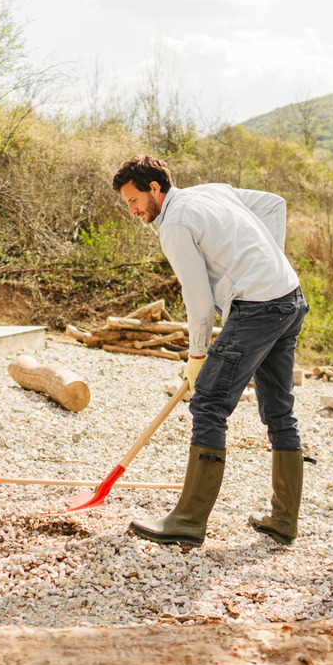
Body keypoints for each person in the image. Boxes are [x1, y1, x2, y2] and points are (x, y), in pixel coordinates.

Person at [110, 154, 310, 548]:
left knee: (208, 406)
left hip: (258, 307)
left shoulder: (175, 224)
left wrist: (197, 357)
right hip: (290, 297)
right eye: (127, 204)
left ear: (155, 188)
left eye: (134, 200)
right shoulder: (213, 192)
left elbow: (198, 299)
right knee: (279, 411)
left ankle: (187, 520)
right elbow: (274, 204)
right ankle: (283, 520)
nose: (132, 210)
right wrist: (270, 263)